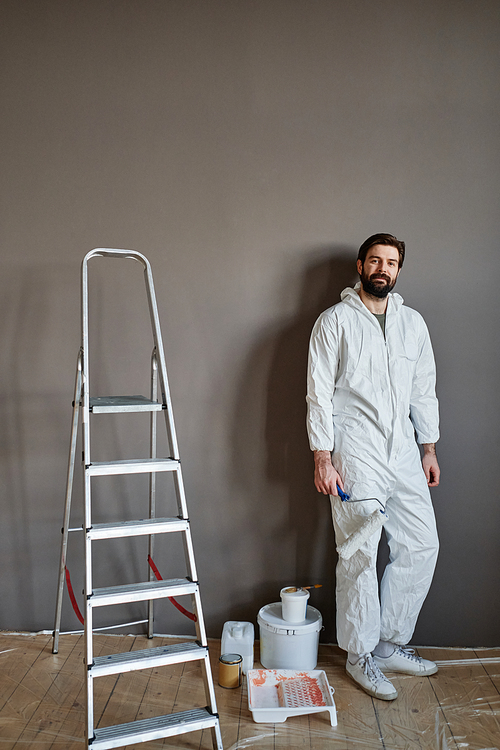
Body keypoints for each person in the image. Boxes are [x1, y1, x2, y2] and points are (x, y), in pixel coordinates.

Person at [306, 233, 440, 701]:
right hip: (355, 448)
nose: (383, 269)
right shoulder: (334, 322)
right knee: (360, 550)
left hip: (403, 447)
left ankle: (387, 643)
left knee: (422, 544)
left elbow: (424, 388)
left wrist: (428, 447)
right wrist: (322, 456)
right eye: (376, 261)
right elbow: (318, 393)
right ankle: (360, 654)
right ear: (361, 266)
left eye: (392, 262)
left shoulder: (412, 324)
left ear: (399, 270)